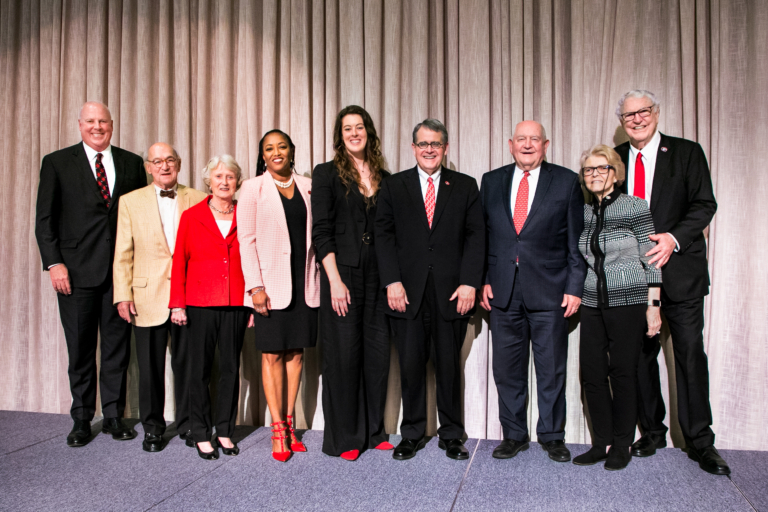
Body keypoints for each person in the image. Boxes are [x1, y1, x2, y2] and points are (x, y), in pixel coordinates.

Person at [614, 89, 728, 475]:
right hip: (633, 275)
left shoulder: (686, 152)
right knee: (640, 358)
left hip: (680, 272)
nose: (637, 119)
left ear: (656, 113)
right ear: (622, 121)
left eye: (643, 112)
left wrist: (673, 238)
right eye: (629, 115)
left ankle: (701, 442)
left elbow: (704, 204)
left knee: (689, 357)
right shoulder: (616, 159)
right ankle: (652, 432)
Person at [35, 101, 146, 447]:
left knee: (117, 350)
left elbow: (139, 219)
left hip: (118, 274)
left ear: (112, 124)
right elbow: (45, 220)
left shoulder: (131, 162)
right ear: (79, 124)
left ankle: (113, 416)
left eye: (104, 121)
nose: (97, 127)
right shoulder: (56, 163)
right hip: (75, 274)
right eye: (91, 121)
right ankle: (82, 418)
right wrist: (55, 263)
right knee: (80, 349)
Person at [376, 119, 485, 461]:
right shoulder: (394, 186)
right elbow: (384, 236)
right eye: (422, 144)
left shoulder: (465, 186)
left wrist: (470, 282)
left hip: (451, 293)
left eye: (435, 144)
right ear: (413, 148)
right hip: (406, 294)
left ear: (446, 148)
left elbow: (476, 237)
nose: (429, 150)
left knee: (449, 368)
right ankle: (412, 433)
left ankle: (451, 435)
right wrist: (391, 281)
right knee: (410, 367)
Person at [479, 121, 585, 463]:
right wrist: (483, 279)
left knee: (551, 368)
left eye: (534, 139)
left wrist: (574, 286)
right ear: (510, 144)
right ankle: (514, 435)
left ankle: (552, 436)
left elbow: (577, 242)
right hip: (503, 292)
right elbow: (481, 238)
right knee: (507, 370)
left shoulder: (567, 181)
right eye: (521, 139)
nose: (527, 145)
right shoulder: (491, 181)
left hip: (550, 291)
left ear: (546, 144)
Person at [571, 145, 662, 470]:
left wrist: (654, 305)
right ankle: (602, 443)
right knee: (592, 374)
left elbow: (650, 258)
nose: (594, 174)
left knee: (623, 372)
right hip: (593, 301)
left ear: (616, 173)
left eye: (601, 168)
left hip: (629, 300)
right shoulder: (582, 212)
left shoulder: (635, 207)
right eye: (588, 170)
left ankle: (622, 444)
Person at [113, 142, 207, 452]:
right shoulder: (130, 201)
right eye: (157, 161)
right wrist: (122, 295)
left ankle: (190, 424)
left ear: (178, 164)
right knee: (150, 368)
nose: (164, 166)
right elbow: (123, 254)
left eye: (169, 160)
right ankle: (152, 428)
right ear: (148, 168)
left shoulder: (199, 198)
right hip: (146, 296)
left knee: (189, 365)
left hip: (188, 296)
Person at [311, 106, 392, 462]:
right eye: (347, 128)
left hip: (378, 277)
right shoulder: (326, 174)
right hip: (341, 275)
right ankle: (345, 438)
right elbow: (322, 232)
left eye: (360, 127)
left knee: (376, 354)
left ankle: (374, 432)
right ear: (339, 136)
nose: (354, 133)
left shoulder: (386, 178)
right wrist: (335, 281)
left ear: (369, 132)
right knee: (343, 357)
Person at [238, 130, 320, 463]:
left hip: (303, 286)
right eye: (269, 148)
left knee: (296, 355)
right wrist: (255, 287)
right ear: (263, 155)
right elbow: (247, 241)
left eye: (282, 146)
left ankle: (289, 423)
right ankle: (277, 430)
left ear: (291, 151)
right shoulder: (252, 188)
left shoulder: (308, 186)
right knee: (272, 355)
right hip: (269, 289)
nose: (276, 152)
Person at [169, 155, 252, 460]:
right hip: (199, 303)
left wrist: (253, 303)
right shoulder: (191, 216)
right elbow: (180, 262)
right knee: (198, 371)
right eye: (218, 177)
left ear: (237, 182)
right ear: (209, 182)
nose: (224, 182)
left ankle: (226, 430)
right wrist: (177, 304)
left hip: (236, 303)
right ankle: (202, 433)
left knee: (231, 369)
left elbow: (255, 260)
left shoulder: (247, 213)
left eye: (230, 176)